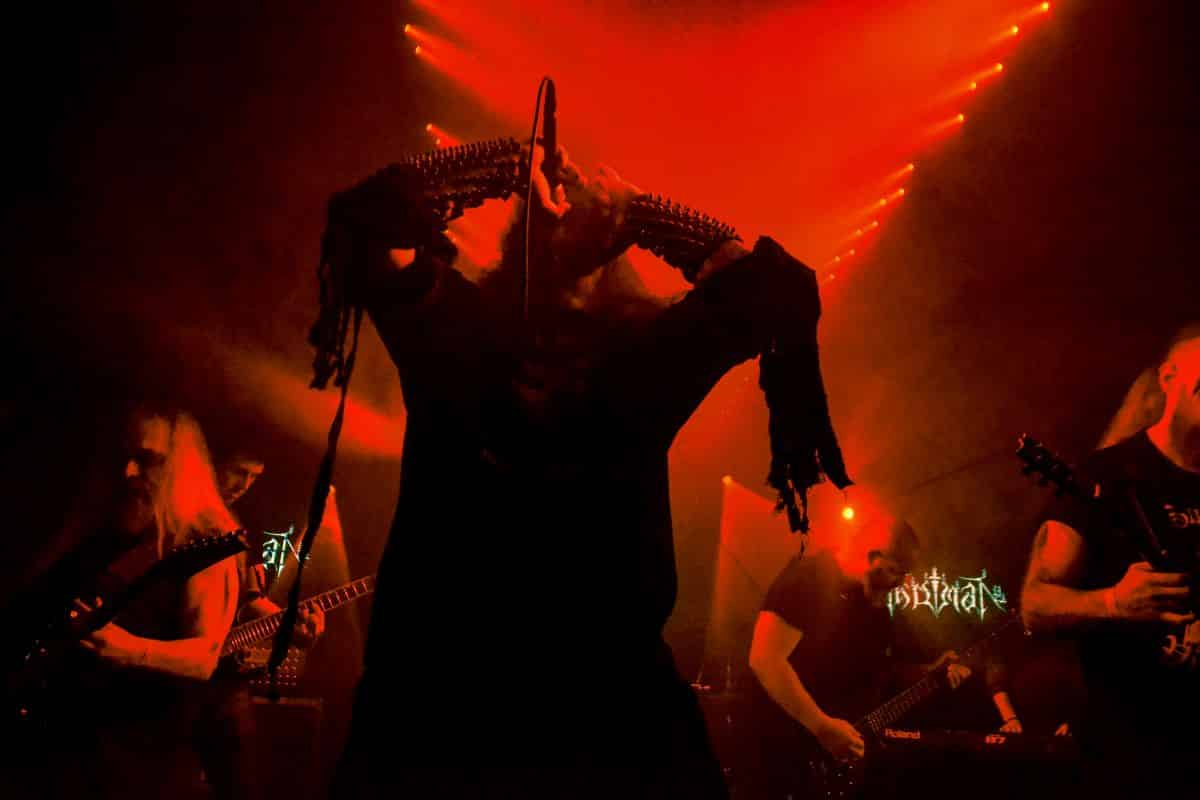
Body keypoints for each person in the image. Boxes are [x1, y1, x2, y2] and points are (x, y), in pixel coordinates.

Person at [311, 131, 850, 798]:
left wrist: (613, 203)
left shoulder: (628, 363)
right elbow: (369, 220)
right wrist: (531, 174)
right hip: (476, 706)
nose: (567, 201)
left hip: (558, 710)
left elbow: (776, 290)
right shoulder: (472, 331)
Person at [4, 405, 241, 800]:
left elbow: (205, 655)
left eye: (148, 460)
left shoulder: (205, 541)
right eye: (126, 457)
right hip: (65, 750)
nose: (129, 471)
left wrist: (128, 649)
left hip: (139, 757)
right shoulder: (110, 528)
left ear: (181, 467)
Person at [1020, 322, 1200, 798]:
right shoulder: (1106, 476)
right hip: (1130, 760)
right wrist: (1114, 602)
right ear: (1168, 376)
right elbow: (1034, 603)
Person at [746, 514, 972, 798]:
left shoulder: (874, 611)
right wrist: (822, 726)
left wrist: (929, 673)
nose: (900, 583)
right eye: (896, 571)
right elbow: (765, 659)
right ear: (873, 556)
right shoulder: (809, 576)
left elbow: (877, 675)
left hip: (833, 769)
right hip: (785, 759)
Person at [191, 445, 326, 800]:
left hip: (223, 681)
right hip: (176, 672)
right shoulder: (180, 518)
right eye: (239, 471)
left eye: (254, 477)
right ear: (210, 462)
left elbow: (251, 599)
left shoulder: (239, 524)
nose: (244, 485)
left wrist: (293, 627)